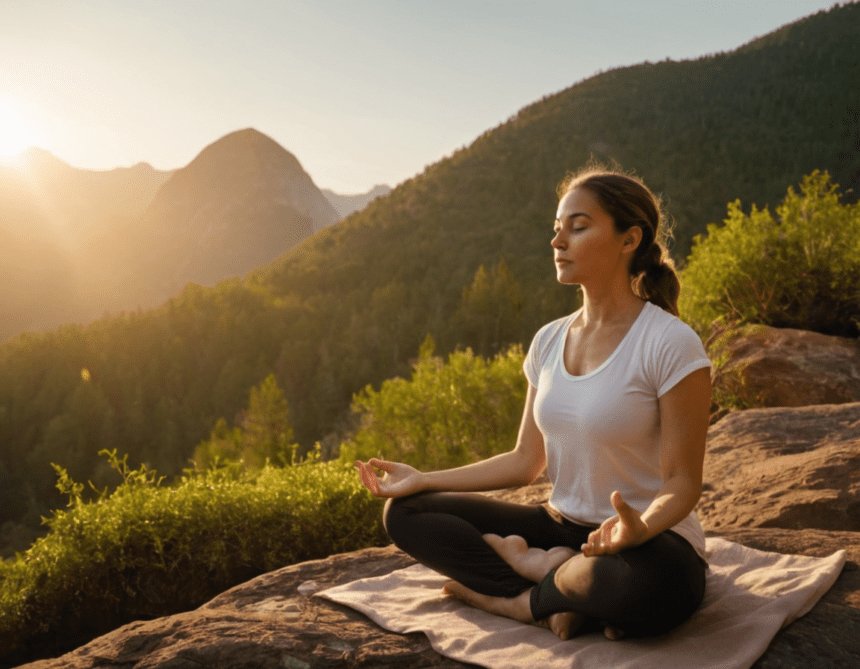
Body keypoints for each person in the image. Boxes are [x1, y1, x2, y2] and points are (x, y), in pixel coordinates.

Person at [355, 167, 712, 641]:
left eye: (578, 227)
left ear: (629, 240)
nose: (558, 241)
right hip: (558, 525)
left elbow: (683, 483)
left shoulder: (670, 343)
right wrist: (424, 479)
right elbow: (527, 462)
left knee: (638, 584)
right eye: (557, 228)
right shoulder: (548, 340)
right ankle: (552, 592)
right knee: (405, 513)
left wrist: (640, 529)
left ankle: (529, 595)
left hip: (649, 541)